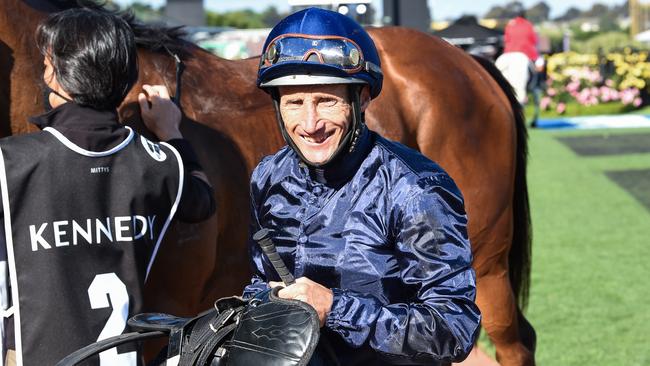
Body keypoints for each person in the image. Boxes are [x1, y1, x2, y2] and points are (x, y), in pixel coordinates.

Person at [242, 8, 480, 365]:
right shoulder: (268, 177)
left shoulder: (415, 189)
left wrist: (335, 308)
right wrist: (263, 298)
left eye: (326, 100)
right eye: (294, 102)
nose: (309, 124)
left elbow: (454, 329)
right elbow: (261, 280)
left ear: (363, 98)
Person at [0, 8, 214, 366]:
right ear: (127, 78)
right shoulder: (158, 163)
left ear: (55, 77)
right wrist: (173, 134)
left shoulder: (10, 161)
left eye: (48, 63)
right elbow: (201, 200)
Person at [497, 9, 542, 126]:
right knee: (537, 74)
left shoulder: (509, 26)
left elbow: (506, 40)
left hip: (506, 56)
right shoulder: (529, 25)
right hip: (524, 55)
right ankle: (538, 84)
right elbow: (534, 41)